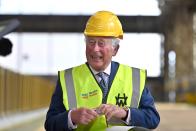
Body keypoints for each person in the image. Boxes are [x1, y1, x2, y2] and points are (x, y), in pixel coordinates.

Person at [45, 10, 160, 131]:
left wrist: (125, 113)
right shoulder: (68, 78)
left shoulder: (134, 77)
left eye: (101, 43)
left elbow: (152, 118)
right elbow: (50, 124)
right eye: (91, 42)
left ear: (115, 49)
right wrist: (71, 117)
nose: (95, 49)